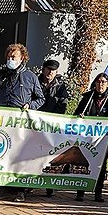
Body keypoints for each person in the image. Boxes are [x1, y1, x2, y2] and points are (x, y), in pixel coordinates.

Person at [0, 44, 44, 203]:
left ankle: (19, 190)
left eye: (14, 57)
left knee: (19, 155)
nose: (10, 60)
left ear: (22, 58)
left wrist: (29, 106)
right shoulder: (0, 75)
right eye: (9, 57)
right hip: (0, 123)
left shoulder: (30, 77)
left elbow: (40, 98)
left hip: (19, 125)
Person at [72, 72, 108, 203]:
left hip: (103, 140)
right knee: (83, 164)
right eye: (98, 82)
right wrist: (80, 116)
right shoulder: (88, 97)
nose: (101, 84)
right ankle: (80, 192)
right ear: (94, 83)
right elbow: (77, 113)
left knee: (101, 165)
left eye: (103, 82)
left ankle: (98, 192)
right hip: (87, 137)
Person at [35, 59, 71, 199]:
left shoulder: (60, 87)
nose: (50, 72)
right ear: (43, 69)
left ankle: (49, 186)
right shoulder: (35, 82)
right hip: (35, 124)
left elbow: (63, 105)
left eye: (53, 70)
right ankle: (26, 184)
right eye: (48, 69)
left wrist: (55, 118)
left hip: (51, 126)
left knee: (49, 156)